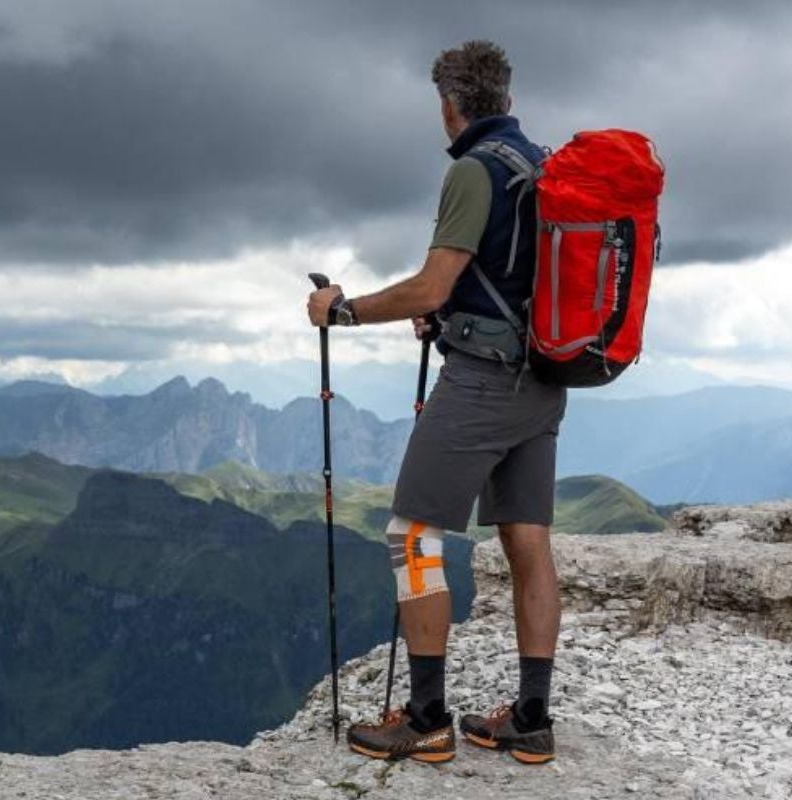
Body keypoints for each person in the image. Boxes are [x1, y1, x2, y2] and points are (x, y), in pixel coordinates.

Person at [305, 39, 562, 766]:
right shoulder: (543, 167)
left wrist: (343, 309)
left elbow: (430, 285)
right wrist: (451, 314)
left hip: (483, 383)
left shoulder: (475, 173)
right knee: (527, 540)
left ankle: (425, 719)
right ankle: (532, 720)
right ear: (506, 101)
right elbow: (507, 280)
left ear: (448, 107)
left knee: (411, 536)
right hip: (546, 380)